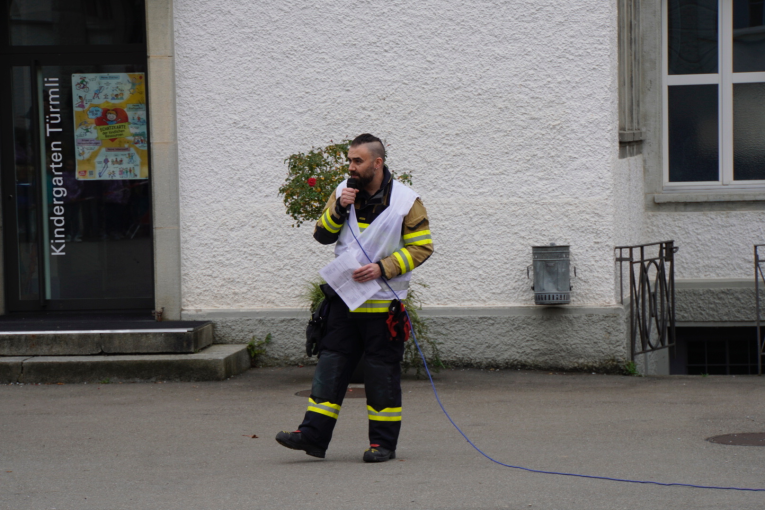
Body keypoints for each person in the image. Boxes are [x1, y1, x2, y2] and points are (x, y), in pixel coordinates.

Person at [276, 133, 434, 462]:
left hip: (383, 305)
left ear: (377, 163)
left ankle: (382, 445)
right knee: (330, 368)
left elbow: (422, 247)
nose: (351, 166)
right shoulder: (341, 192)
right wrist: (338, 206)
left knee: (381, 376)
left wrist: (383, 268)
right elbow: (322, 235)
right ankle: (312, 436)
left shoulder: (406, 201)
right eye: (349, 160)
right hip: (343, 301)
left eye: (357, 160)